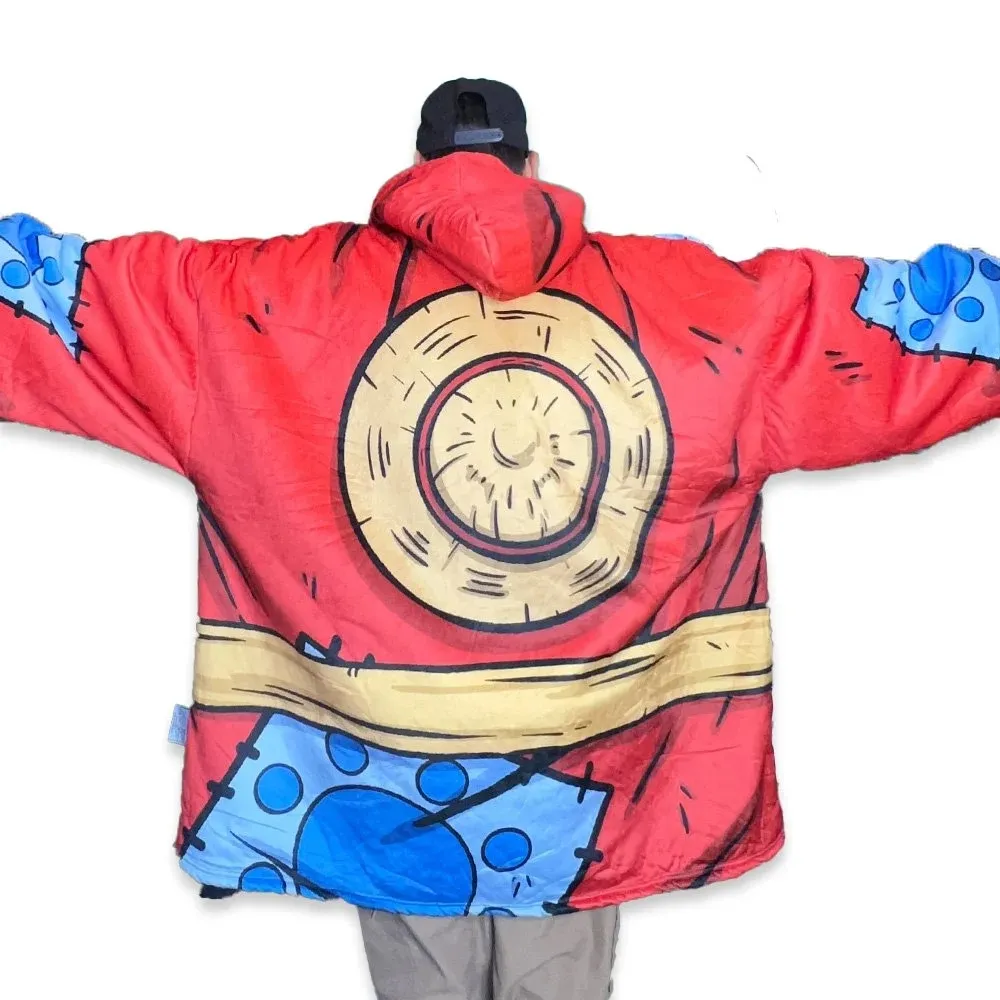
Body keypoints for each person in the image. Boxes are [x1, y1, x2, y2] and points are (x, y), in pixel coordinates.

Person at [1, 76, 997, 1000]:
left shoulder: (250, 302)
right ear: (531, 165)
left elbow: (64, 299)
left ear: (417, 167)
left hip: (381, 775)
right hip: (595, 772)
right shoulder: (695, 300)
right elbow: (894, 335)